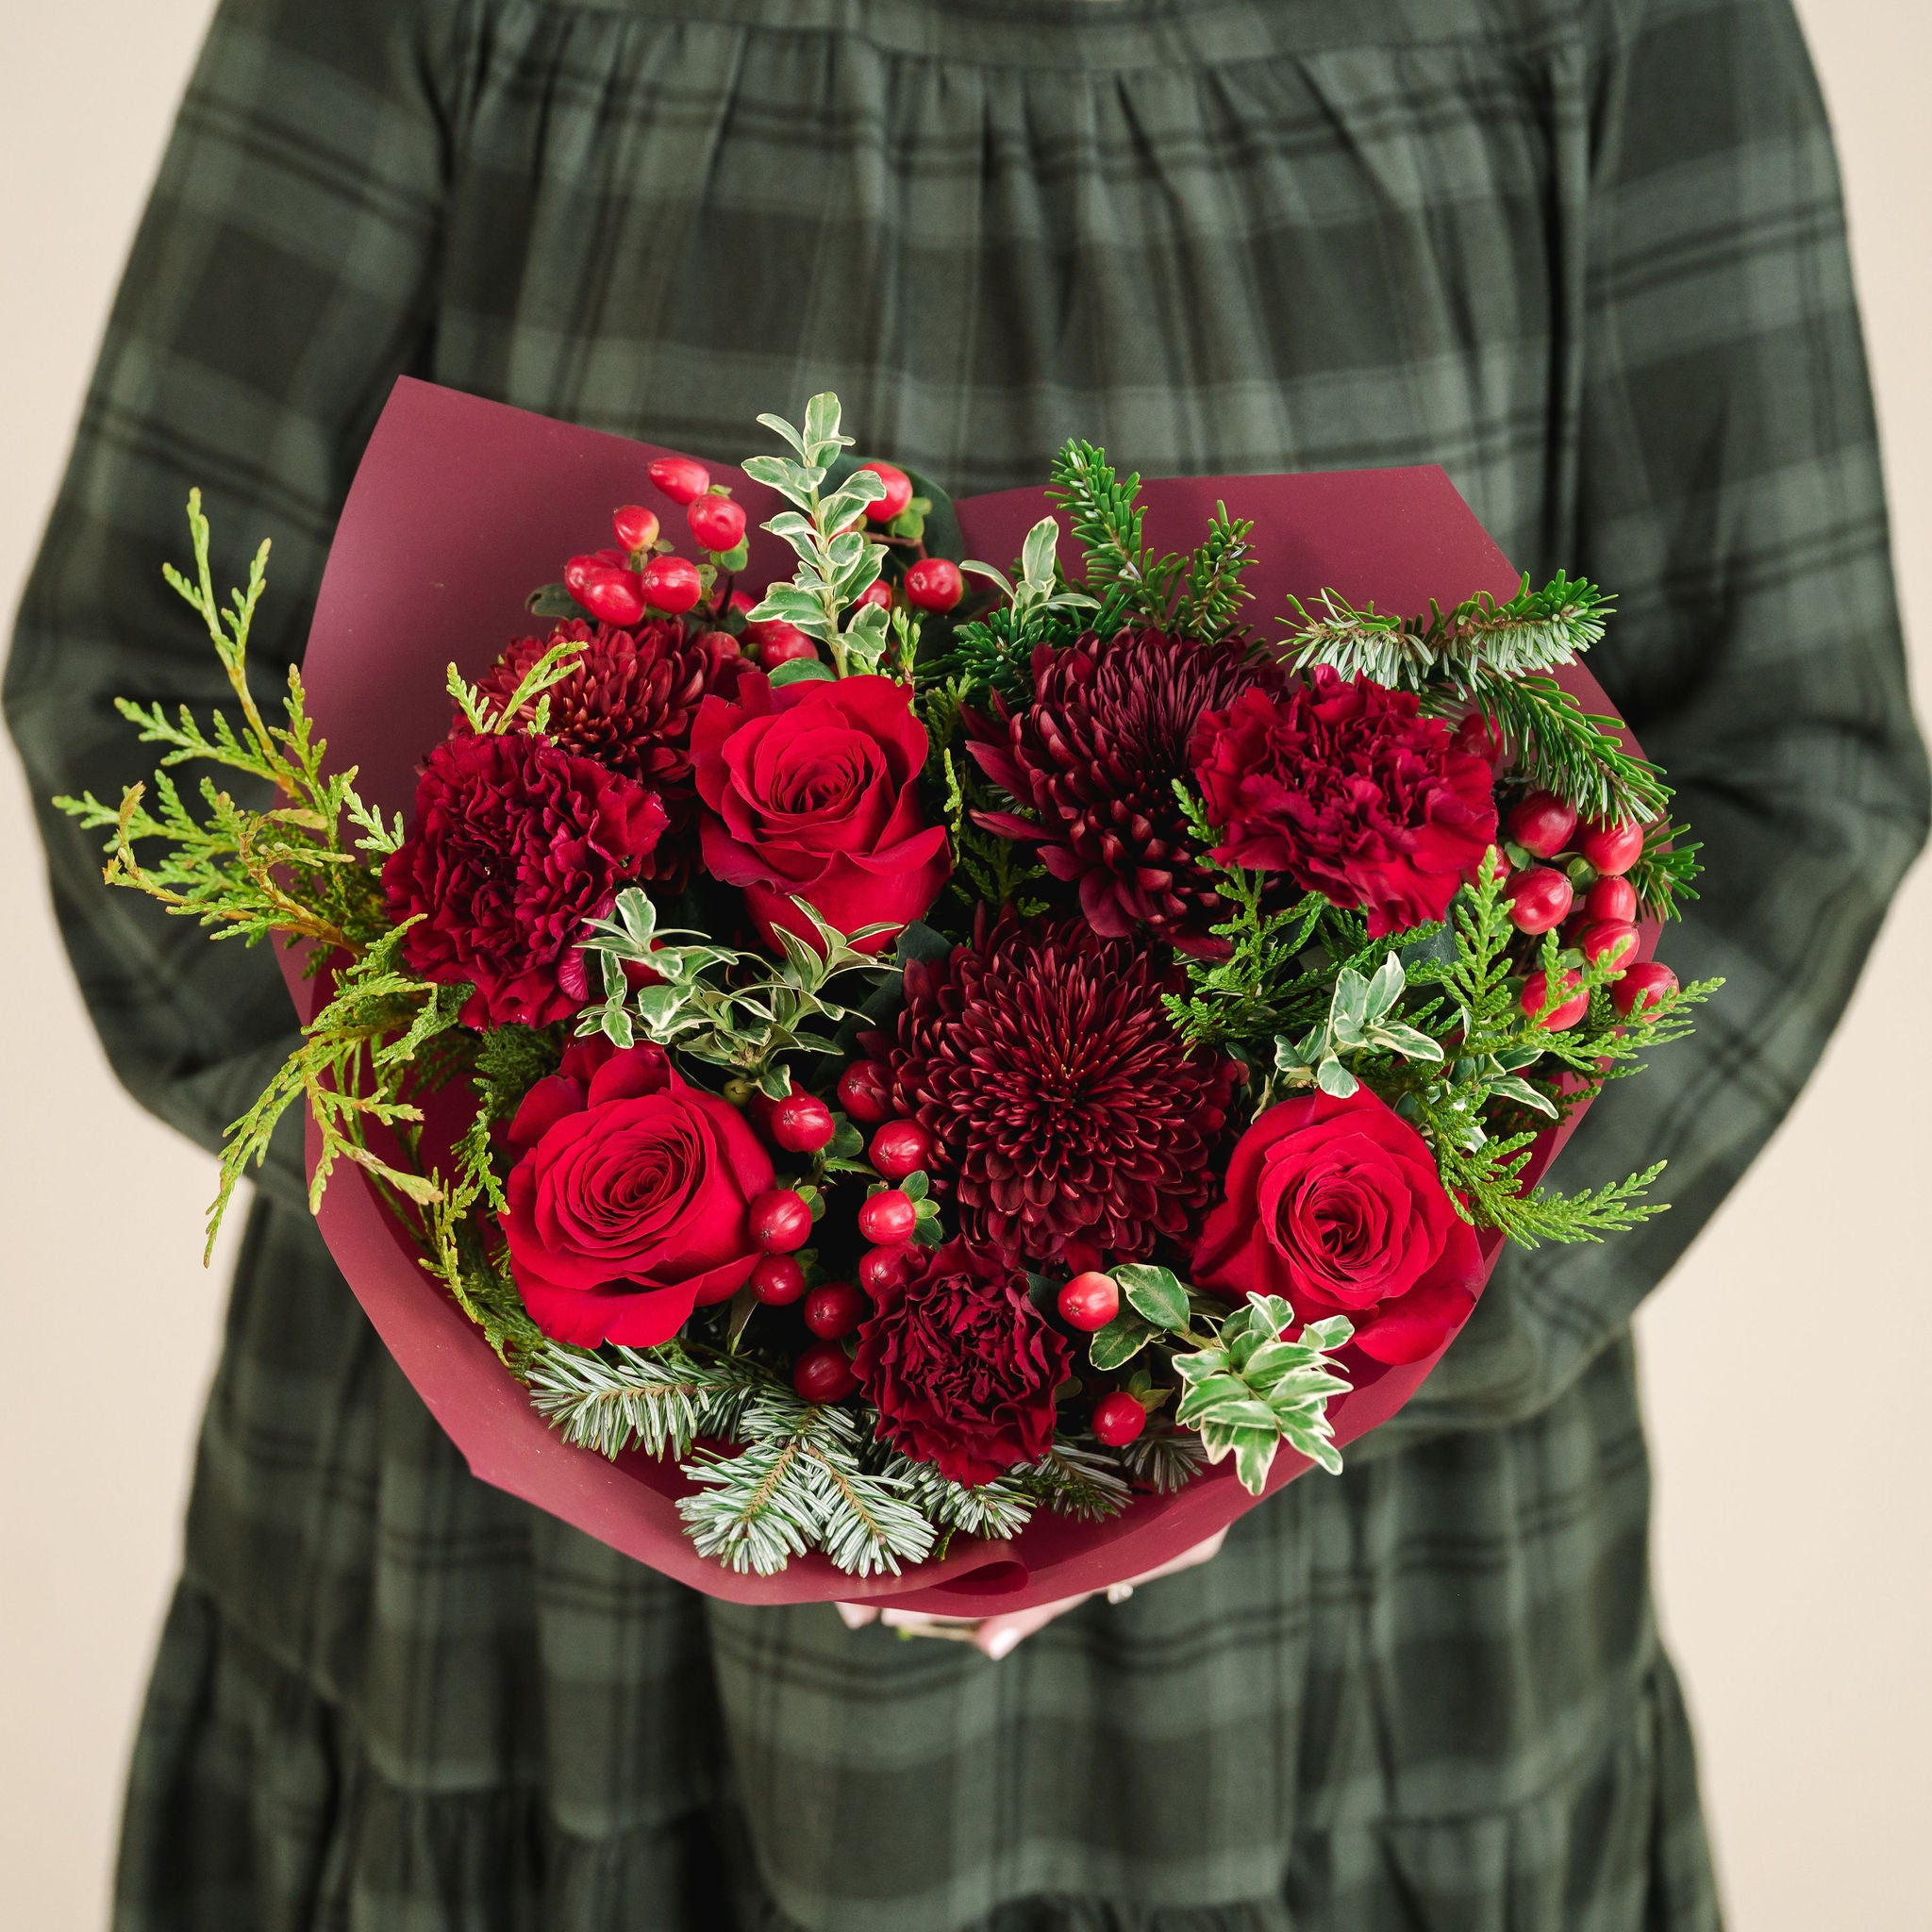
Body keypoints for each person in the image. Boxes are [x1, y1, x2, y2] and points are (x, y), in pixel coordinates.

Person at [8, 0, 1925, 1926]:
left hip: (1349, 1653)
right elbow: (141, 684)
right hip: (524, 1634)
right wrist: (564, 1289)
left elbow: (1785, 766)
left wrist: (1322, 1358)